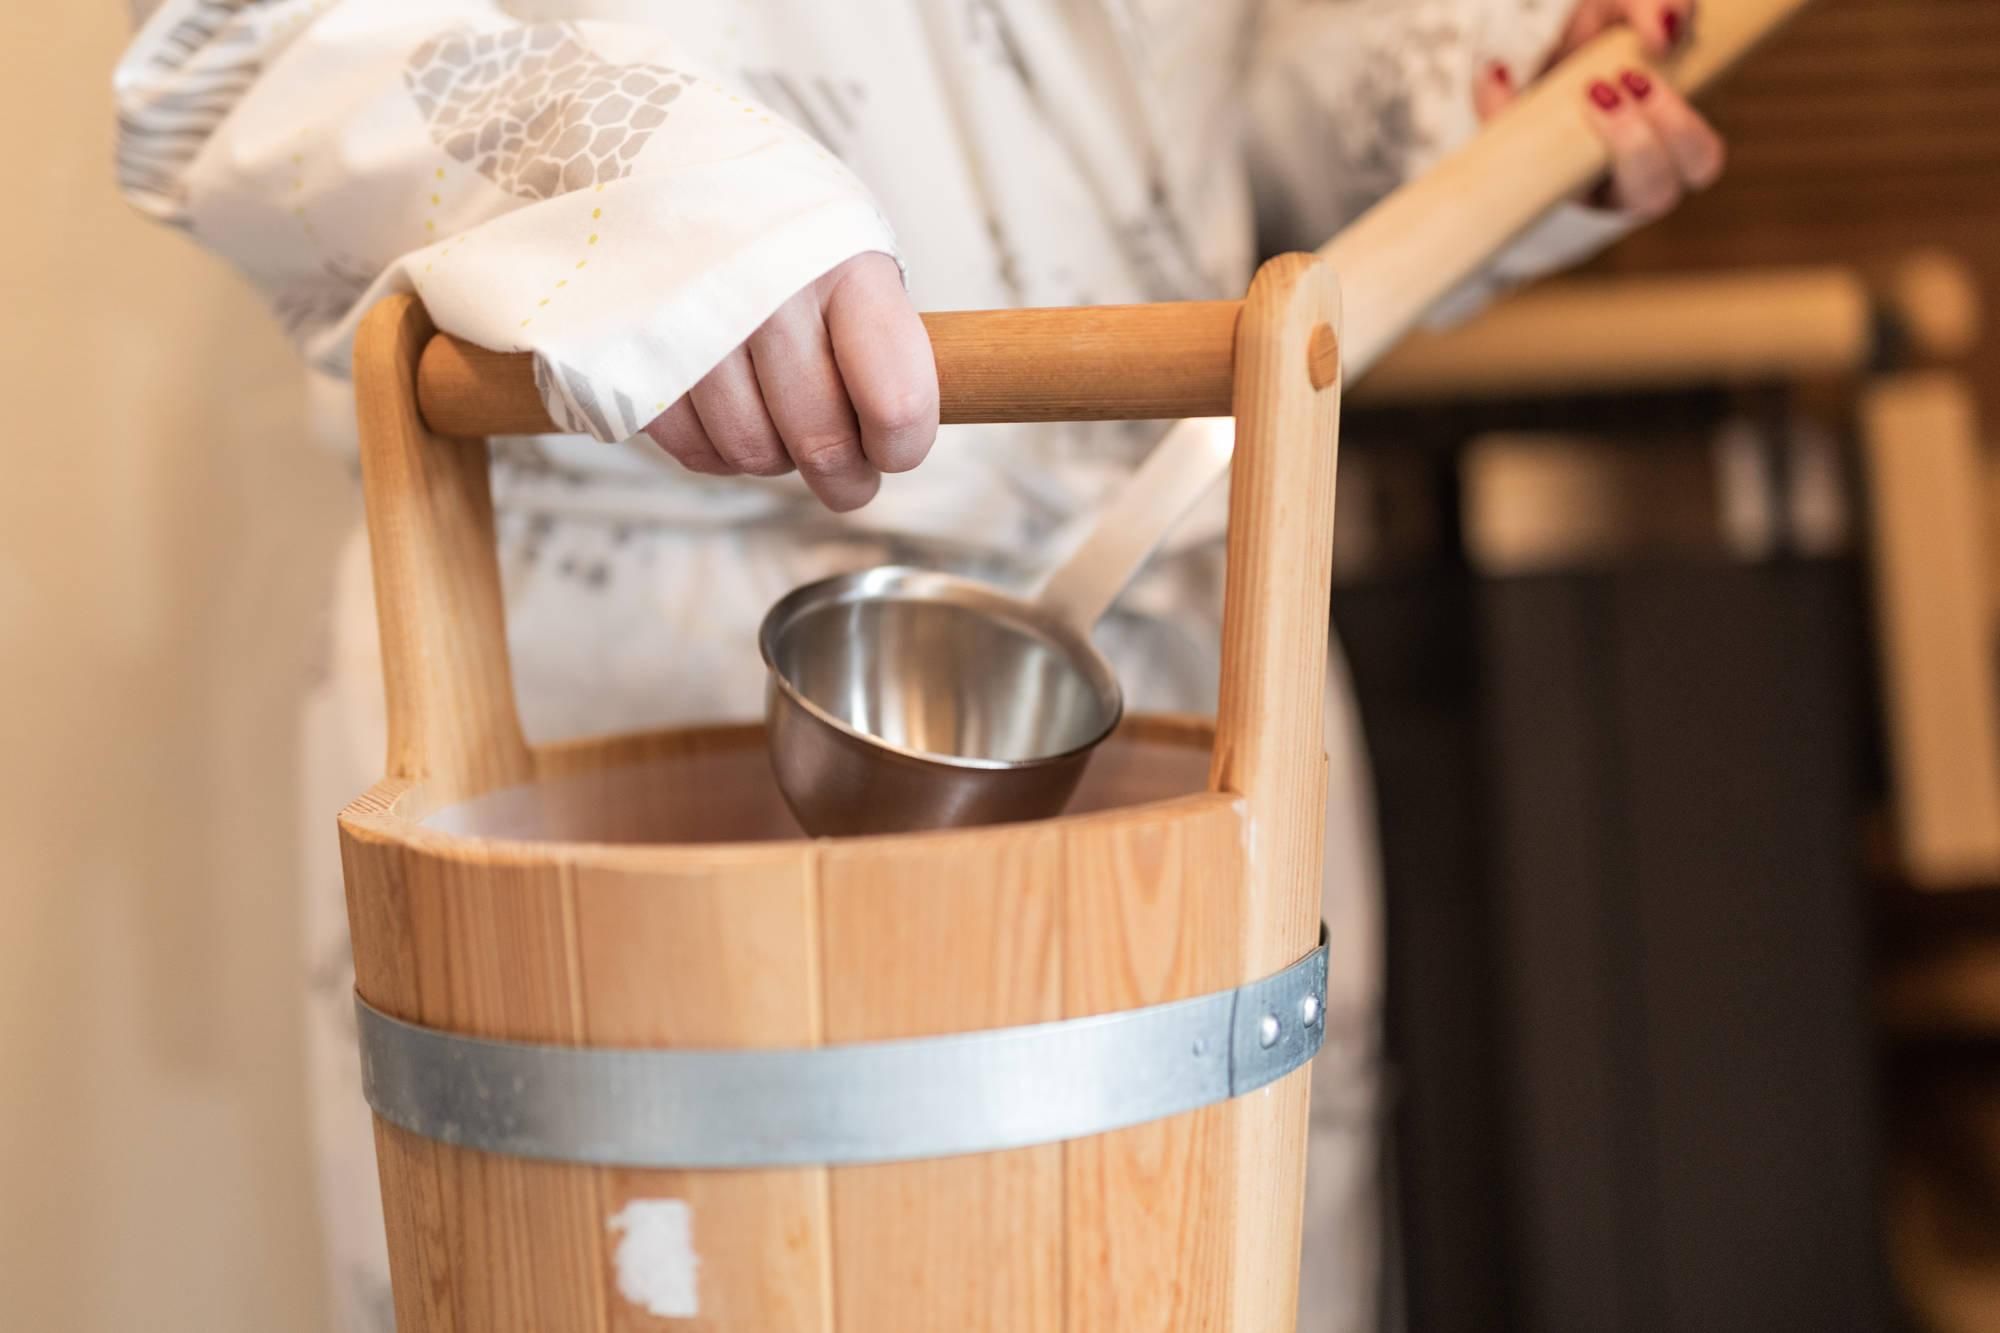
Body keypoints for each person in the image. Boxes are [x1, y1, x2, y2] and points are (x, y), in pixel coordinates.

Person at [114, 2, 1724, 1328]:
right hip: (600, 663)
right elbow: (228, 44)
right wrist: (672, 211)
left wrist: (1461, 85)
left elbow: (1227, 71)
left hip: (1178, 666)